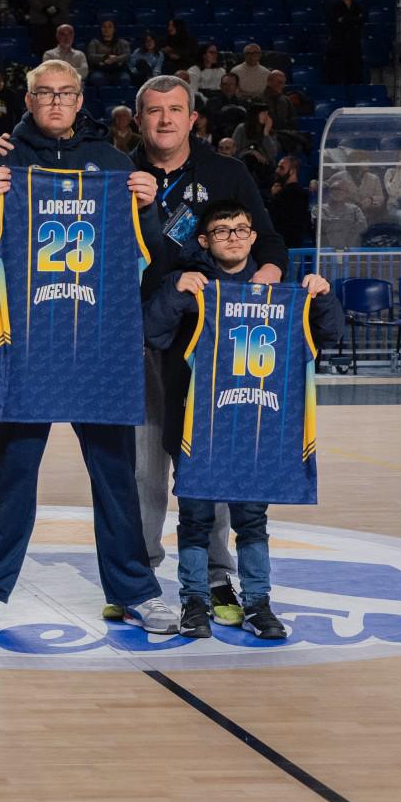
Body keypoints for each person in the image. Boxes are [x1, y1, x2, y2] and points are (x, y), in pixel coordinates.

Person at [0, 61, 175, 636]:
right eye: (45, 93)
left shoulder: (115, 164)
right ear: (28, 100)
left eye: (66, 93)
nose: (55, 102)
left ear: (80, 101)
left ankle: (135, 590)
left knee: (115, 474)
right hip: (25, 342)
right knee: (11, 471)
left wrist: (149, 208)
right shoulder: (1, 161)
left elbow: (152, 256)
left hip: (101, 343)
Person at [141, 202, 343, 640]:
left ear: (253, 237)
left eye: (241, 229)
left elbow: (331, 335)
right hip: (198, 427)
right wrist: (176, 290)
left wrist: (323, 297)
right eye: (221, 230)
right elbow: (151, 333)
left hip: (257, 427)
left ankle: (258, 602)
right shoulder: (191, 284)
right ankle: (194, 600)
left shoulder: (283, 291)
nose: (233, 237)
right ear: (204, 240)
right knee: (195, 518)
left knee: (251, 521)